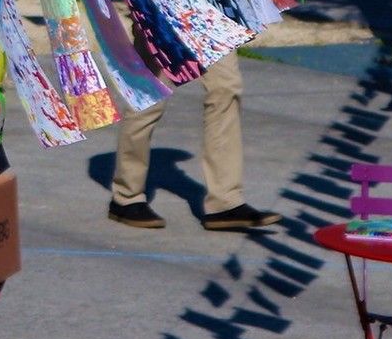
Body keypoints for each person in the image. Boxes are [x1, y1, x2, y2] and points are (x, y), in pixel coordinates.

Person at [107, 52, 282, 231]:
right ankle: (126, 196)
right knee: (150, 95)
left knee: (226, 86)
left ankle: (225, 202)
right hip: (162, 24)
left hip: (212, 23)